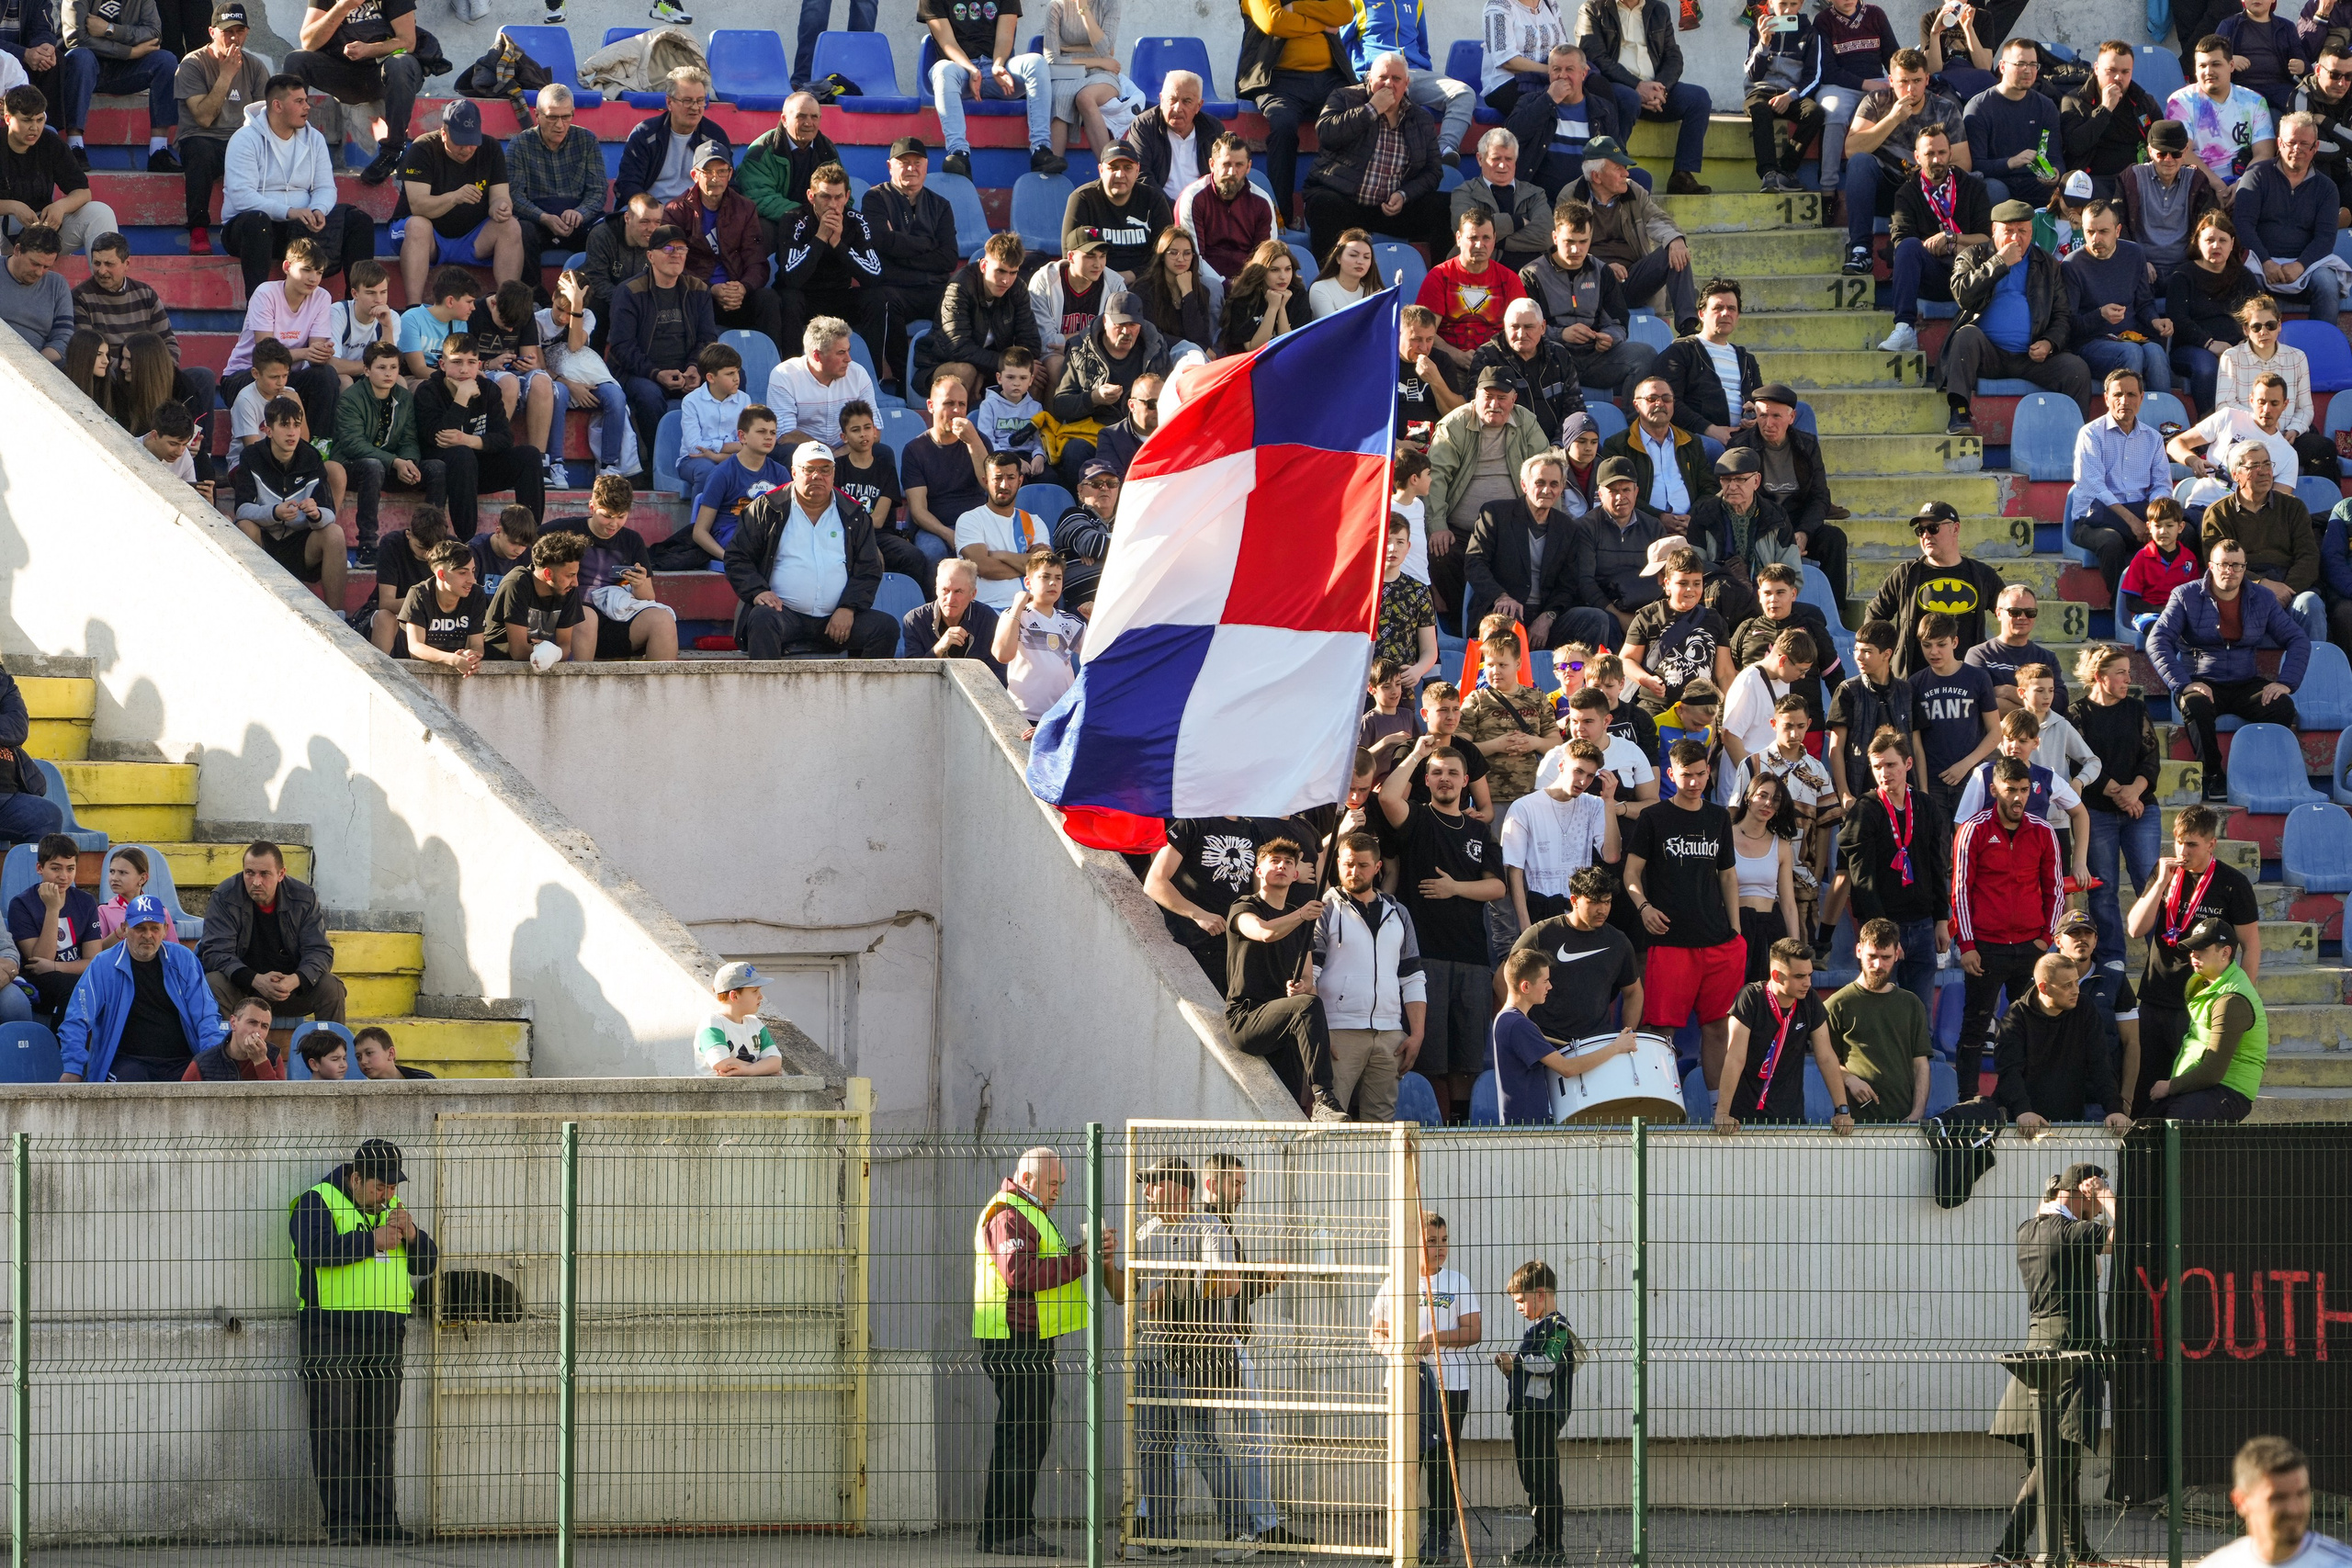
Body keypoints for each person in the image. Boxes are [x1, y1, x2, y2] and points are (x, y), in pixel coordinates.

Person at [289, 1139, 437, 1546]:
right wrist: (372, 1242)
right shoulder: (315, 1202)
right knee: (334, 1426)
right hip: (330, 1329)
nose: (387, 1194)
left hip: (387, 1331)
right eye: (379, 1187)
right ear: (355, 1178)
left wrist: (412, 1234)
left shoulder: (392, 1208)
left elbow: (425, 1265)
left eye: (392, 1187)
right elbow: (313, 1251)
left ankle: (381, 1522)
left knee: (379, 1429)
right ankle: (343, 1525)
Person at [1377, 735, 1506, 1122]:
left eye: (1453, 772)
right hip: (1423, 957)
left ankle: (1460, 1128)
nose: (1445, 778)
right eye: (1437, 773)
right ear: (1427, 780)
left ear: (1466, 780)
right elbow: (1387, 798)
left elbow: (1497, 887)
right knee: (1429, 1057)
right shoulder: (1416, 817)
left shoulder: (1479, 831)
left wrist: (1454, 888)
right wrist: (1418, 753)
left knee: (1466, 1057)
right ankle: (1431, 1125)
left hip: (1471, 957)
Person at [1125, 1156, 1244, 1555]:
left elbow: (1226, 1284)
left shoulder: (1208, 1228)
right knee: (1153, 1445)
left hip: (1195, 1355)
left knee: (1200, 1442)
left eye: (1152, 1183)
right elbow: (1123, 1294)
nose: (1144, 1192)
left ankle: (1241, 1532)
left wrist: (1171, 1291)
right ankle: (1162, 1538)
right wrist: (1108, 1263)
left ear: (1178, 1188)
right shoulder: (1145, 1233)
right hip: (1151, 1353)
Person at [2154, 533, 2312, 800]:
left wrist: (2285, 682)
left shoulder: (2262, 598)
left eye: (2237, 566)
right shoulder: (2185, 595)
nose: (2231, 571)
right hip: (2202, 679)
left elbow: (2297, 639)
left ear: (2244, 568)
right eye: (2224, 564)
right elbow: (2157, 640)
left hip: (2245, 682)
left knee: (2282, 707)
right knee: (2195, 704)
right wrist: (2184, 683)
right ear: (2212, 566)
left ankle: (2258, 774)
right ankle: (2213, 775)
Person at [1624, 739, 1744, 1085]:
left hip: (1718, 941)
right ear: (1672, 775)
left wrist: (1735, 932)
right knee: (1662, 1029)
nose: (1694, 782)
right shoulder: (1654, 817)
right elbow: (1631, 874)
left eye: (1700, 774)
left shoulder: (1719, 817)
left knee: (1718, 1027)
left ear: (1709, 772)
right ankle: (1661, 1109)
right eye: (1686, 775)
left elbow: (1728, 875)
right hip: (1669, 940)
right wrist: (1643, 906)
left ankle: (1718, 1110)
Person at [1368, 1213, 1481, 1567]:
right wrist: (1401, 1353)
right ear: (1416, 1243)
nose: (1440, 1248)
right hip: (1404, 1386)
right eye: (1432, 1241)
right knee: (1404, 1460)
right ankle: (1400, 1538)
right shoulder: (1395, 1283)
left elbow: (1473, 1331)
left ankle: (1438, 1536)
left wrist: (1431, 1340)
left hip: (1449, 1386)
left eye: (1444, 1240)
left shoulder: (1458, 1282)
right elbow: (1376, 1334)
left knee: (1442, 1461)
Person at [724, 440, 897, 660]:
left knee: (885, 628)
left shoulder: (854, 513)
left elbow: (869, 567)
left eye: (825, 470)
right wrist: (758, 591)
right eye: (809, 469)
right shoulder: (766, 508)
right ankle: (765, 694)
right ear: (794, 472)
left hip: (836, 620)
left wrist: (848, 608)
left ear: (834, 474)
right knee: (761, 618)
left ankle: (860, 695)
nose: (817, 476)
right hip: (783, 615)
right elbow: (737, 557)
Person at [1951, 755, 2061, 1095]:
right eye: (2011, 789)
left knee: (2028, 1029)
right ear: (1994, 788)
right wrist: (1967, 944)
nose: (2018, 797)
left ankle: (2023, 1101)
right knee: (1975, 1028)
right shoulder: (1973, 830)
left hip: (2030, 948)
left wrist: (2045, 939)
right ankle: (1967, 1104)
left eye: (2024, 790)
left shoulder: (2044, 832)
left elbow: (2055, 889)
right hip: (1985, 949)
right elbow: (1960, 890)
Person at [1940, 197, 2096, 434]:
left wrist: (2050, 342)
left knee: (2076, 369)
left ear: (2031, 231)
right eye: (2008, 231)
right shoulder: (1974, 256)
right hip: (1988, 354)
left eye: (2022, 231)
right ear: (1994, 230)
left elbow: (2062, 315)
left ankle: (2076, 435)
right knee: (1965, 336)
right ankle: (1959, 414)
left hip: (2031, 357)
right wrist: (1999, 262)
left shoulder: (2047, 263)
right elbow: (1963, 294)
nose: (2016, 238)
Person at [1223, 838, 1347, 1119]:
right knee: (1306, 1005)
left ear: (1295, 874)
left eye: (1288, 863)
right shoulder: (1244, 907)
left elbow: (1307, 978)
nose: (1281, 866)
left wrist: (1303, 985)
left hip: (1284, 1027)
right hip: (1246, 1019)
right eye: (1274, 861)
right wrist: (1302, 915)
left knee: (1285, 1115)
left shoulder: (1298, 921)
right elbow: (1264, 932)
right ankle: (1324, 1099)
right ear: (1258, 871)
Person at [1310, 829, 1426, 1122]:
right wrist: (1319, 1034)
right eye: (1348, 864)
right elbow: (1308, 975)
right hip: (1338, 1031)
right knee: (1329, 1120)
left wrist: (1417, 1034)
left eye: (1362, 865)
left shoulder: (1399, 912)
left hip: (1389, 1034)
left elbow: (1412, 976)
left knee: (1381, 1127)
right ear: (1337, 864)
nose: (1353, 871)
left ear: (1377, 868)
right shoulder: (1321, 910)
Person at [1302, 51, 1453, 259]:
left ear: (1406, 83)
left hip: (1390, 210)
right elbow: (1326, 134)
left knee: (1447, 207)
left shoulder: (1420, 119)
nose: (1389, 84)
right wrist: (1372, 109)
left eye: (1396, 79)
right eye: (1382, 78)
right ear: (1370, 79)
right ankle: (1326, 281)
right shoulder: (1344, 97)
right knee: (1324, 203)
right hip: (1345, 201)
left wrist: (1404, 194)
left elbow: (1433, 170)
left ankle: (1441, 281)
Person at [1838, 48, 1968, 277]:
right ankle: (1860, 249)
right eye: (1903, 81)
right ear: (1891, 80)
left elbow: (1963, 163)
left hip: (1926, 192)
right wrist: (1892, 119)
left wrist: (1929, 173)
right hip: (1886, 185)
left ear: (1927, 79)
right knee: (1860, 163)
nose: (1910, 89)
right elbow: (1852, 149)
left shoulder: (1945, 109)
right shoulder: (1876, 101)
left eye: (1917, 81)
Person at [1464, 449, 1611, 648]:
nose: (1546, 490)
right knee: (1506, 622)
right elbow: (1475, 563)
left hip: (1546, 615)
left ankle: (1587, 678)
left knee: (1596, 619)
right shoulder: (1495, 514)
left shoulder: (1568, 528)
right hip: (1502, 610)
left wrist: (1548, 617)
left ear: (1561, 489)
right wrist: (1501, 596)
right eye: (1540, 482)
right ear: (1524, 485)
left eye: (1553, 484)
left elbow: (1568, 583)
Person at [1724, 383, 1848, 604]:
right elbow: (1738, 500)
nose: (1768, 424)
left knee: (1834, 540)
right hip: (1762, 523)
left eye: (1776, 416)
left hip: (1798, 519)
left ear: (1792, 417)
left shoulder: (1806, 446)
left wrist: (1804, 532)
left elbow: (1820, 496)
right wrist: (1784, 537)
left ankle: (1835, 612)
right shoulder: (1741, 447)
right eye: (1762, 416)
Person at [390, 99, 520, 309]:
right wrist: (455, 197)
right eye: (460, 142)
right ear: (444, 133)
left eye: (472, 142)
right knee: (418, 225)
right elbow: (418, 206)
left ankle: (508, 306)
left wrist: (500, 207)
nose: (467, 149)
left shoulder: (491, 148)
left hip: (473, 238)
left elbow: (500, 196)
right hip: (428, 237)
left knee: (511, 225)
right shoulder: (423, 147)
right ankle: (413, 308)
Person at [1576, 0, 1713, 193]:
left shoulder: (1659, 9)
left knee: (1698, 98)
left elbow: (1673, 56)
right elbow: (1595, 56)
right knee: (1629, 98)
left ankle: (1682, 176)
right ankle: (1618, 171)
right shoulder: (1593, 9)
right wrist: (1637, 86)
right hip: (1616, 88)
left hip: (1654, 86)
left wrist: (1661, 89)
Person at [199, 839, 343, 1024]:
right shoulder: (225, 897)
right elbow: (215, 953)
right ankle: (230, 1050)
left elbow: (320, 951)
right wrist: (256, 980)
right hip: (243, 991)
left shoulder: (303, 897)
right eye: (249, 873)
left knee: (331, 986)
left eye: (265, 874)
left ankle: (332, 1050)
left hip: (289, 991)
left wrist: (295, 980)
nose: (256, 882)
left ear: (281, 874)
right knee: (214, 982)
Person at [1714, 937, 1851, 1130]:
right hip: (1744, 1119)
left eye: (1809, 975)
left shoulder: (1810, 999)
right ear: (1777, 976)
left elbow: (1826, 1057)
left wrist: (1842, 1111)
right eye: (1799, 976)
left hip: (1790, 1118)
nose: (1807, 983)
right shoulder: (1750, 998)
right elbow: (1735, 1057)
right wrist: (1722, 1113)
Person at [1561, 136, 1696, 331]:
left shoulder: (1633, 190)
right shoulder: (1571, 196)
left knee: (1675, 250)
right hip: (1592, 282)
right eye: (1618, 168)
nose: (1626, 173)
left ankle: (1688, 328)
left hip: (1632, 279)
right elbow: (1566, 249)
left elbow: (1658, 219)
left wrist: (1674, 238)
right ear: (1596, 176)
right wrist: (1603, 268)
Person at [610, 225, 718, 468]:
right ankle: (658, 464)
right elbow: (621, 346)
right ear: (651, 256)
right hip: (641, 373)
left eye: (681, 248)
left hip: (686, 372)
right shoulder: (629, 291)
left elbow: (708, 338)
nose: (676, 254)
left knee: (732, 378)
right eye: (668, 248)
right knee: (649, 395)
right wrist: (656, 373)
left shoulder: (698, 289)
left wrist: (695, 368)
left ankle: (717, 454)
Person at [1861, 499, 2009, 677]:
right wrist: (1885, 660)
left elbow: (2012, 614)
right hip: (1914, 682)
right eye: (1920, 530)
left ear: (1955, 529)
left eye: (1933, 528)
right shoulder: (1905, 575)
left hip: (1967, 682)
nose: (1926, 535)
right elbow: (1874, 617)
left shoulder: (1982, 575)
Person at [413, 334, 544, 535]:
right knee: (462, 454)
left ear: (479, 365)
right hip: (442, 473)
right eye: (457, 362)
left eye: (471, 362)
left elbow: (504, 439)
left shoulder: (488, 389)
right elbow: (440, 439)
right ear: (442, 364)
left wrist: (468, 440)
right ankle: (467, 541)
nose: (464, 369)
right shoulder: (428, 391)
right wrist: (462, 397)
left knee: (530, 455)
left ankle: (531, 536)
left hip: (479, 470)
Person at [663, 140, 786, 352]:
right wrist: (711, 289)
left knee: (769, 299)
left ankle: (774, 364)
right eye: (708, 171)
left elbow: (757, 262)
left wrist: (743, 287)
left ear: (730, 174)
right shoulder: (676, 210)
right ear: (695, 175)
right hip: (701, 295)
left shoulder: (745, 208)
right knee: (690, 297)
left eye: (721, 172)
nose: (715, 178)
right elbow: (672, 264)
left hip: (737, 295)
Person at [284, 0, 423, 186]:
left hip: (382, 73)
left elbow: (408, 41)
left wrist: (369, 49)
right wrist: (343, 6)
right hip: (344, 74)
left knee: (402, 63)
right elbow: (308, 42)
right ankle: (289, 145)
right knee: (296, 60)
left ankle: (393, 151)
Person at [1988, 949, 2131, 1130]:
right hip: (2020, 1122)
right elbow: (2009, 1070)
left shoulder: (2085, 1008)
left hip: (2069, 1120)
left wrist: (2114, 1109)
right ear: (2043, 987)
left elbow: (2100, 1063)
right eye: (2066, 986)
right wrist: (2022, 1110)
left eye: (2076, 983)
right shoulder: (2016, 1016)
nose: (2075, 991)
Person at [921, 0, 1062, 181]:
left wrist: (998, 66)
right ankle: (959, 154)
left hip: (999, 70)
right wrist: (972, 70)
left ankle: (1041, 150)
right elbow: (947, 42)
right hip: (960, 71)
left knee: (1036, 62)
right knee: (942, 70)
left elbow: (1005, 37)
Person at [2144, 915, 2269, 1121]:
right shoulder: (2207, 983)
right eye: (2193, 949)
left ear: (2225, 952)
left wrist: (2170, 1086)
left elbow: (2213, 1071)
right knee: (2143, 1135)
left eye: (2202, 949)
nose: (2194, 955)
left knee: (2172, 1130)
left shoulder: (2231, 999)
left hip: (2227, 1090)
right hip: (2205, 1087)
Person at [860, 136, 957, 391]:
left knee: (959, 298)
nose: (911, 168)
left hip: (931, 289)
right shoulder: (875, 199)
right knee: (884, 300)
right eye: (904, 163)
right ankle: (901, 381)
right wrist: (927, 243)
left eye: (917, 162)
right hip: (897, 288)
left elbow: (947, 257)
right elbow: (882, 246)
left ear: (926, 166)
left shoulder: (941, 205)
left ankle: (944, 377)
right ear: (890, 166)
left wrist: (900, 245)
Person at [2067, 367, 2172, 601]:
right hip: (2092, 519)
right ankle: (2123, 606)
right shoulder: (2091, 434)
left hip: (2141, 514)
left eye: (2132, 394)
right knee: (2111, 541)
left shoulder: (2152, 438)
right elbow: (2094, 485)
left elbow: (2162, 485)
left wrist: (2155, 521)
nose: (2124, 401)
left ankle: (2167, 604)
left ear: (2141, 398)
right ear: (2106, 398)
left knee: (2182, 533)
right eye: (2117, 395)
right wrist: (2132, 521)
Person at [2233, 111, 2346, 326]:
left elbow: (2325, 238)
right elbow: (2243, 225)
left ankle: (2321, 345)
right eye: (2291, 142)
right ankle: (2250, 348)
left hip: (2306, 266)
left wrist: (2300, 265)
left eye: (2305, 144)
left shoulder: (2327, 188)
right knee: (2247, 278)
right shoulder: (2256, 175)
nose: (2297, 149)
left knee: (2327, 283)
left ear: (2316, 148)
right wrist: (2266, 261)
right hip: (2259, 261)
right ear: (2279, 143)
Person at [233, 394, 348, 604]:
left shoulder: (311, 457)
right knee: (245, 527)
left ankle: (337, 615)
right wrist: (275, 512)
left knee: (334, 532)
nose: (292, 432)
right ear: (268, 430)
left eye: (296, 425)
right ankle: (246, 601)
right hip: (264, 543)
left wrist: (316, 514)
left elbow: (328, 513)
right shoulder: (251, 456)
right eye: (284, 425)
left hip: (300, 546)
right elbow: (241, 509)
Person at [2216, 293, 2341, 486]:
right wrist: (2263, 424)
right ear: (2246, 330)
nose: (2263, 332)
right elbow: (2224, 406)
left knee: (2323, 449)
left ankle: (2317, 510)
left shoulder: (2297, 357)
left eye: (2270, 325)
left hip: (2286, 435)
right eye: (2256, 327)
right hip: (2247, 437)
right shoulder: (2231, 357)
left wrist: (2295, 430)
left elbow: (2305, 408)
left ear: (2279, 326)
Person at [170, 2, 263, 256]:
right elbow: (203, 118)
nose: (234, 38)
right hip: (203, 139)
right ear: (212, 32)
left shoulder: (255, 66)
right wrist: (226, 75)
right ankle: (198, 229)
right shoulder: (192, 64)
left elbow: (267, 117)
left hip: (241, 140)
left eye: (239, 31)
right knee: (199, 151)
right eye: (227, 31)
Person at [222, 234, 336, 433]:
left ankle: (319, 448)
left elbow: (315, 352)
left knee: (326, 375)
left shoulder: (322, 297)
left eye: (319, 272)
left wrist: (322, 353)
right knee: (269, 377)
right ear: (286, 267)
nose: (313, 278)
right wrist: (306, 353)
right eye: (306, 270)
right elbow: (265, 354)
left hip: (286, 376)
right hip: (246, 375)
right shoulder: (265, 293)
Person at [503, 83, 605, 298]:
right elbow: (515, 196)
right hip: (537, 221)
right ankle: (531, 296)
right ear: (537, 115)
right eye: (552, 117)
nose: (560, 124)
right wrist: (544, 217)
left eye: (566, 117)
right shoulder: (519, 145)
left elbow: (598, 191)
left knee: (604, 231)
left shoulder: (587, 140)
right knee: (519, 230)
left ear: (573, 114)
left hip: (577, 219)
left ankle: (593, 294)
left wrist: (580, 212)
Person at [1826, 916, 1933, 1122]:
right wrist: (1848, 1078)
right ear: (1858, 951)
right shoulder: (1836, 1004)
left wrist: (1916, 1115)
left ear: (1897, 954)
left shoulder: (1912, 1004)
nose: (1878, 964)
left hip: (1904, 1122)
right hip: (1855, 1124)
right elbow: (1826, 1061)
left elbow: (1921, 1065)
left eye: (1885, 957)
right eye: (1872, 956)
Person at [2064, 199, 2172, 399]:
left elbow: (2144, 303)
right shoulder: (2072, 265)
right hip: (2091, 343)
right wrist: (2099, 315)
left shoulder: (2134, 253)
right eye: (2089, 232)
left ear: (2118, 230)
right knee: (2132, 353)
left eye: (2104, 231)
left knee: (2156, 353)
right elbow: (2069, 325)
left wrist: (2155, 321)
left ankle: (2165, 424)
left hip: (2130, 336)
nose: (2096, 239)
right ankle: (2128, 422)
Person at [915, 232, 1040, 397]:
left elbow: (1030, 341)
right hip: (940, 364)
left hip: (993, 366)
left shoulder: (1017, 288)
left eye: (1013, 273)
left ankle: (1027, 422)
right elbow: (958, 347)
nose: (1006, 280)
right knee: (966, 371)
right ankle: (959, 423)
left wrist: (1021, 366)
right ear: (983, 266)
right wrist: (1008, 365)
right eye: (1000, 271)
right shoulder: (959, 286)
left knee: (1035, 375)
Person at [0, 83, 113, 256]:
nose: (34, 128)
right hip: (3, 232)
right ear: (8, 119)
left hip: (43, 231)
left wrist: (61, 207)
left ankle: (108, 280)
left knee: (100, 212)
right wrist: (13, 207)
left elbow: (83, 192)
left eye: (40, 120)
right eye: (27, 120)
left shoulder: (50, 142)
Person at [1652, 277, 1760, 447]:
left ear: (1737, 316)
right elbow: (1669, 403)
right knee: (1713, 447)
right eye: (1718, 308)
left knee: (1800, 411)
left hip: (1745, 436)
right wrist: (1710, 429)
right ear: (1701, 314)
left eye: (1731, 308)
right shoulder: (1680, 352)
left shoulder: (1746, 359)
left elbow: (1759, 399)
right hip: (1700, 437)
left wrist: (1755, 414)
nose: (1725, 313)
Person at [2120, 118, 2227, 284]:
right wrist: (2137, 262)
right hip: (2139, 268)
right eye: (2161, 153)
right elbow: (2118, 225)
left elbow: (2209, 227)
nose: (2169, 159)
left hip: (2186, 269)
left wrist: (2193, 265)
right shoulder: (2132, 178)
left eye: (2176, 154)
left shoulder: (2196, 180)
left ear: (2185, 152)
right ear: (2149, 151)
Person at [737, 93, 840, 259]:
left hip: (815, 218)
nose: (809, 123)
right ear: (784, 120)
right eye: (801, 116)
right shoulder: (760, 150)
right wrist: (806, 215)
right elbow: (759, 198)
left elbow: (842, 192)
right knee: (760, 230)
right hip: (776, 220)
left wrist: (824, 216)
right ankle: (754, 283)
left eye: (814, 117)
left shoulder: (827, 150)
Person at [6, 830, 94, 1027]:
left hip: (70, 974)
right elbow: (41, 962)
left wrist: (57, 966)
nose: (64, 876)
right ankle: (58, 1049)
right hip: (39, 983)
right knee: (73, 987)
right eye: (56, 868)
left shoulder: (86, 902)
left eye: (70, 869)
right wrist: (53, 909)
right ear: (40, 868)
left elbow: (92, 961)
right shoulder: (21, 904)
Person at [1962, 38, 2061, 207]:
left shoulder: (2046, 106)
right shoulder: (1979, 108)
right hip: (1998, 181)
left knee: (2070, 188)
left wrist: (2055, 174)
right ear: (2002, 66)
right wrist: (2011, 162)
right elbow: (1976, 166)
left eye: (2033, 65)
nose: (2028, 71)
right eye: (2020, 64)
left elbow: (2056, 158)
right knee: (1994, 190)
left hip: (2035, 183)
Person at [2171, 34, 2279, 189]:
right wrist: (2218, 186)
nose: (2208, 71)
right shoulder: (2179, 102)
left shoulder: (2254, 101)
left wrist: (2241, 185)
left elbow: (2264, 153)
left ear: (2231, 65)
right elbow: (2182, 153)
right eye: (2202, 66)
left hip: (2245, 181)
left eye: (2216, 64)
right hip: (2197, 183)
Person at [1421, 207, 1532, 358]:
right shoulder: (1439, 276)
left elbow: (1523, 329)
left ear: (1494, 238)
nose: (1480, 245)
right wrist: (1457, 355)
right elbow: (1425, 332)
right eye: (1473, 238)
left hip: (1498, 363)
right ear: (1459, 239)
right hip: (1450, 363)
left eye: (1486, 238)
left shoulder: (1509, 278)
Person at [612, 66, 731, 207]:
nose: (695, 107)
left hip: (697, 212)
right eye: (687, 100)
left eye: (700, 100)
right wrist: (654, 209)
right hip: (651, 211)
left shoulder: (715, 137)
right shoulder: (644, 134)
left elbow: (729, 184)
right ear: (669, 102)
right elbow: (627, 184)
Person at [1742, 0, 1826, 196]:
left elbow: (1814, 75)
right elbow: (1753, 75)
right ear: (1770, 3)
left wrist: (1791, 95)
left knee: (1814, 113)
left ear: (1802, 4)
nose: (1788, 9)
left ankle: (1786, 170)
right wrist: (1763, 43)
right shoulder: (1759, 28)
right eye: (1783, 3)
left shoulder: (1810, 32)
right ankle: (1768, 172)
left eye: (1794, 4)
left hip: (1791, 93)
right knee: (1759, 111)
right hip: (1760, 91)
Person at [1061, 138, 1170, 286]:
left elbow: (1166, 253)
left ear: (1137, 170)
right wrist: (1108, 280)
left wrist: (1131, 276)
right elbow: (1071, 254)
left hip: (1145, 282)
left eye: (1127, 167)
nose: (1120, 175)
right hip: (1095, 283)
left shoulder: (1154, 199)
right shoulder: (1082, 199)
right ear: (1101, 170)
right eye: (1113, 168)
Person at [2061, 39, 2165, 192]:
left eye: (2125, 72)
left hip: (2138, 179)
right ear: (2096, 69)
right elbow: (2075, 146)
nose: (2118, 78)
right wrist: (2105, 108)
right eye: (2111, 70)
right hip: (2091, 181)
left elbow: (2160, 141)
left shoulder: (2143, 101)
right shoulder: (2075, 100)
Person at [1965, 584, 2069, 716]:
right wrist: (2038, 708)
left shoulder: (2047, 658)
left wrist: (2008, 692)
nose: (2022, 617)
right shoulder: (1980, 655)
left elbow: (2059, 704)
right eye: (2015, 612)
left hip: (2038, 735)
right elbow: (1978, 702)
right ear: (1998, 613)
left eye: (2030, 612)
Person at [487, 529, 586, 665]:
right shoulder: (517, 583)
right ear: (548, 574)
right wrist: (547, 652)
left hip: (537, 667)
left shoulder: (567, 589)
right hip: (496, 667)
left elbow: (564, 647)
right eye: (570, 575)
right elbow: (518, 652)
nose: (576, 582)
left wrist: (552, 653)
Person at [582, 194, 659, 354]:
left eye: (657, 222)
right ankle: (593, 362)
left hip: (640, 302)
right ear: (627, 218)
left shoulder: (661, 239)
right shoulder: (602, 235)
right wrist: (629, 302)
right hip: (606, 301)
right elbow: (596, 280)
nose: (652, 229)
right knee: (596, 305)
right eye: (644, 221)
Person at [1132, 69, 1221, 203]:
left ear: (1198, 106)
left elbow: (1223, 173)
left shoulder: (1213, 129)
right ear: (1162, 100)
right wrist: (1175, 210)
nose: (1177, 108)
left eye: (1187, 101)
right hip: (1159, 211)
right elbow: (1140, 176)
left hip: (1203, 211)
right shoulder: (1144, 126)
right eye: (1172, 100)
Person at [675, 342, 750, 499]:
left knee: (752, 466)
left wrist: (716, 455)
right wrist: (731, 447)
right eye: (730, 374)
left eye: (737, 372)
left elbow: (747, 445)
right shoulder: (691, 401)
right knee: (707, 471)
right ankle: (699, 522)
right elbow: (695, 448)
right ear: (710, 377)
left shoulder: (744, 399)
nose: (737, 378)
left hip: (732, 458)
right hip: (693, 461)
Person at [697, 959, 783, 1077]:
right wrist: (763, 1068)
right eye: (755, 991)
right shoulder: (713, 1023)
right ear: (734, 995)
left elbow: (776, 1062)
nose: (761, 996)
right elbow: (722, 1063)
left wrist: (749, 1070)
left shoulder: (756, 1024)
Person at [0, 218, 65, 357]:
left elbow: (63, 338)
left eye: (46, 267)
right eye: (34, 263)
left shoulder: (57, 284)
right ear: (17, 250)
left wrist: (35, 366)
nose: (39, 272)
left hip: (42, 364)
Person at [180, 994, 282, 1081]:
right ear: (233, 1023)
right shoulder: (203, 1063)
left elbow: (282, 1101)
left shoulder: (273, 1056)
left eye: (264, 1026)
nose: (257, 1032)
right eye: (252, 1022)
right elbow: (182, 1102)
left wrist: (261, 1062)